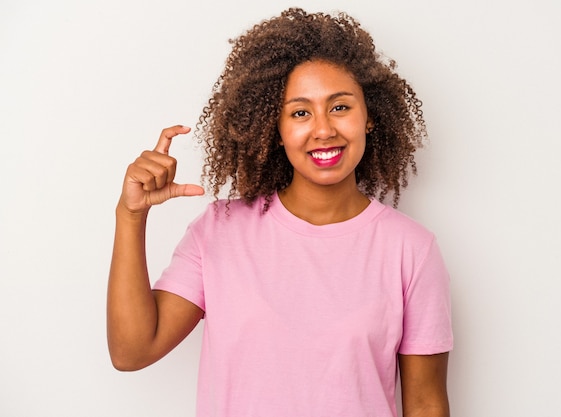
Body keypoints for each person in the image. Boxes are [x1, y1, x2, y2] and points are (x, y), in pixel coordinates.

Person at [107, 7, 453, 417]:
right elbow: (132, 351)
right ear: (276, 128)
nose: (323, 129)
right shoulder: (220, 230)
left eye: (340, 107)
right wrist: (131, 216)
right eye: (300, 112)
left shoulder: (411, 249)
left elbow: (427, 404)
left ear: (370, 118)